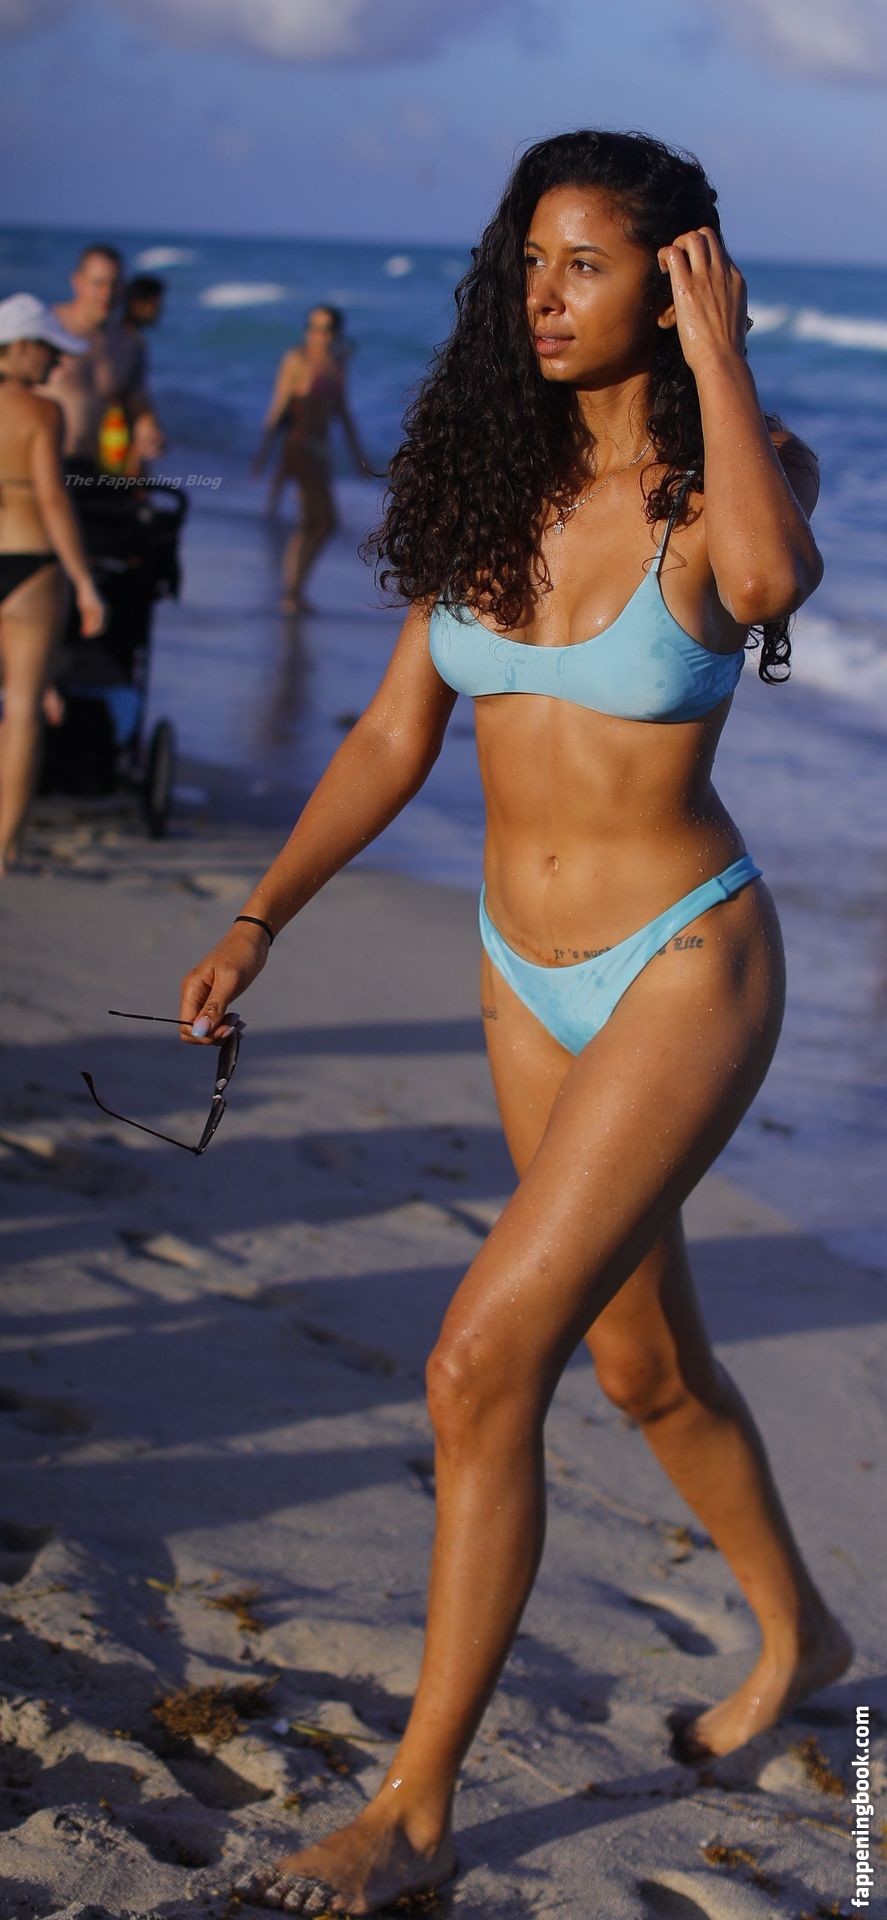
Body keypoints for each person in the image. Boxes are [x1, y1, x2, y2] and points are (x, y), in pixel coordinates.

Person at [179, 132, 852, 1916]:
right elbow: (396, 731)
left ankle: (414, 1812)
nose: (544, 295)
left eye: (587, 264)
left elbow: (770, 589)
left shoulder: (735, 475)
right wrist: (258, 917)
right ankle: (801, 1632)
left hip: (679, 966)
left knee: (479, 1363)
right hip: (517, 972)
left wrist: (720, 357)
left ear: (676, 278)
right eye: (529, 261)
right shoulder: (490, 480)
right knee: (640, 1367)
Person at [0, 294, 105, 873]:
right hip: (30, 566)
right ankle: (4, 848)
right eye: (47, 349)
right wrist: (85, 581)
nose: (56, 362)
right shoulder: (42, 412)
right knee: (22, 711)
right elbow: (53, 500)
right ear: (18, 347)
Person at [252, 304, 371, 613]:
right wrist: (262, 453)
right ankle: (292, 592)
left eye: (326, 329)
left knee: (316, 522)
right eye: (313, 328)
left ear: (337, 333)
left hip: (321, 451)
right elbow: (278, 407)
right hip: (300, 446)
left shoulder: (336, 365)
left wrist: (359, 456)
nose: (318, 336)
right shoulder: (297, 359)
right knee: (322, 521)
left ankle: (294, 591)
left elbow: (343, 414)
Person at [45, 243, 165, 476]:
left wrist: (149, 431)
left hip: (95, 469)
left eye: (115, 284)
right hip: (45, 466)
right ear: (77, 282)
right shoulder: (47, 328)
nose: (107, 293)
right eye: (98, 283)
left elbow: (138, 407)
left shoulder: (129, 343)